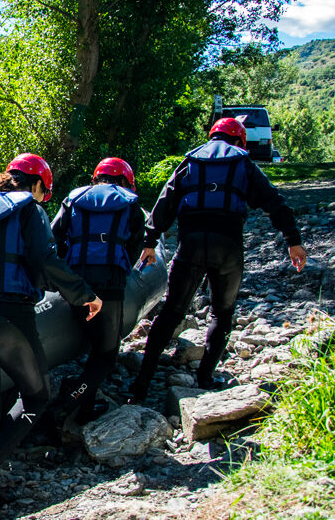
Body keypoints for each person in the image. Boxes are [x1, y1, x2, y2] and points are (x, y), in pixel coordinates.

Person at [0, 153, 102, 517]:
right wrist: (85, 295)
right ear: (38, 185)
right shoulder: (30, 211)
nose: (45, 197)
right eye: (46, 190)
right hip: (10, 320)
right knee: (37, 397)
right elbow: (45, 261)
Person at [130, 118, 308, 402]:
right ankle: (205, 378)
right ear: (239, 141)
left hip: (191, 244)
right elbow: (274, 201)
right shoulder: (243, 163)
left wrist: (150, 242)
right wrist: (293, 241)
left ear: (212, 136)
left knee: (172, 312)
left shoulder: (190, 161)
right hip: (227, 245)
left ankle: (141, 383)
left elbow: (164, 204)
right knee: (222, 313)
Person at [51, 158, 145, 424]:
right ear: (125, 181)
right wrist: (121, 271)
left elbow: (55, 237)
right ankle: (67, 405)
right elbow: (135, 246)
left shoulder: (72, 200)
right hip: (110, 285)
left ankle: (86, 407)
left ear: (96, 178)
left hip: (78, 282)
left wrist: (67, 274)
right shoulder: (130, 203)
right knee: (106, 354)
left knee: (93, 346)